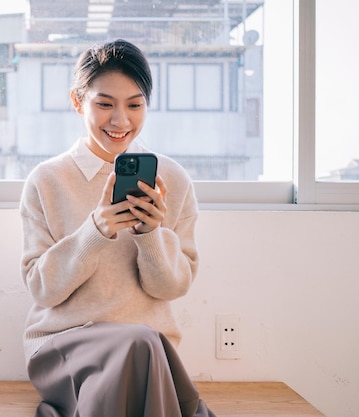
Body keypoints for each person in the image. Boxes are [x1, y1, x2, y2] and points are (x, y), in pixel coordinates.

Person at [19, 39, 216, 417]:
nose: (121, 120)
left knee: (140, 343)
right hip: (65, 346)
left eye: (135, 104)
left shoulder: (172, 179)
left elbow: (172, 287)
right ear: (78, 102)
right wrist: (94, 232)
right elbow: (42, 290)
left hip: (150, 353)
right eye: (105, 104)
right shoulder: (47, 180)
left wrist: (150, 236)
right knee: (140, 345)